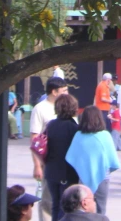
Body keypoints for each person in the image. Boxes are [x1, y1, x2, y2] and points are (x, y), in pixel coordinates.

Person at [65, 106, 119, 215]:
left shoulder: (78, 135)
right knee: (101, 209)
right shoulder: (105, 135)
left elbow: (71, 157)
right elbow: (112, 160)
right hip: (103, 178)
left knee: (82, 209)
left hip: (83, 178)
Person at [31, 77, 69, 221]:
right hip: (48, 163)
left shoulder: (66, 107)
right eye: (64, 90)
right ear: (54, 92)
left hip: (66, 163)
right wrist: (37, 166)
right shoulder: (40, 109)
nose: (67, 93)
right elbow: (35, 140)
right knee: (48, 200)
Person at [45, 92, 80, 221]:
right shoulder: (74, 128)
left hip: (51, 170)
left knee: (55, 204)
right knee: (66, 207)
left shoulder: (51, 125)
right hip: (67, 172)